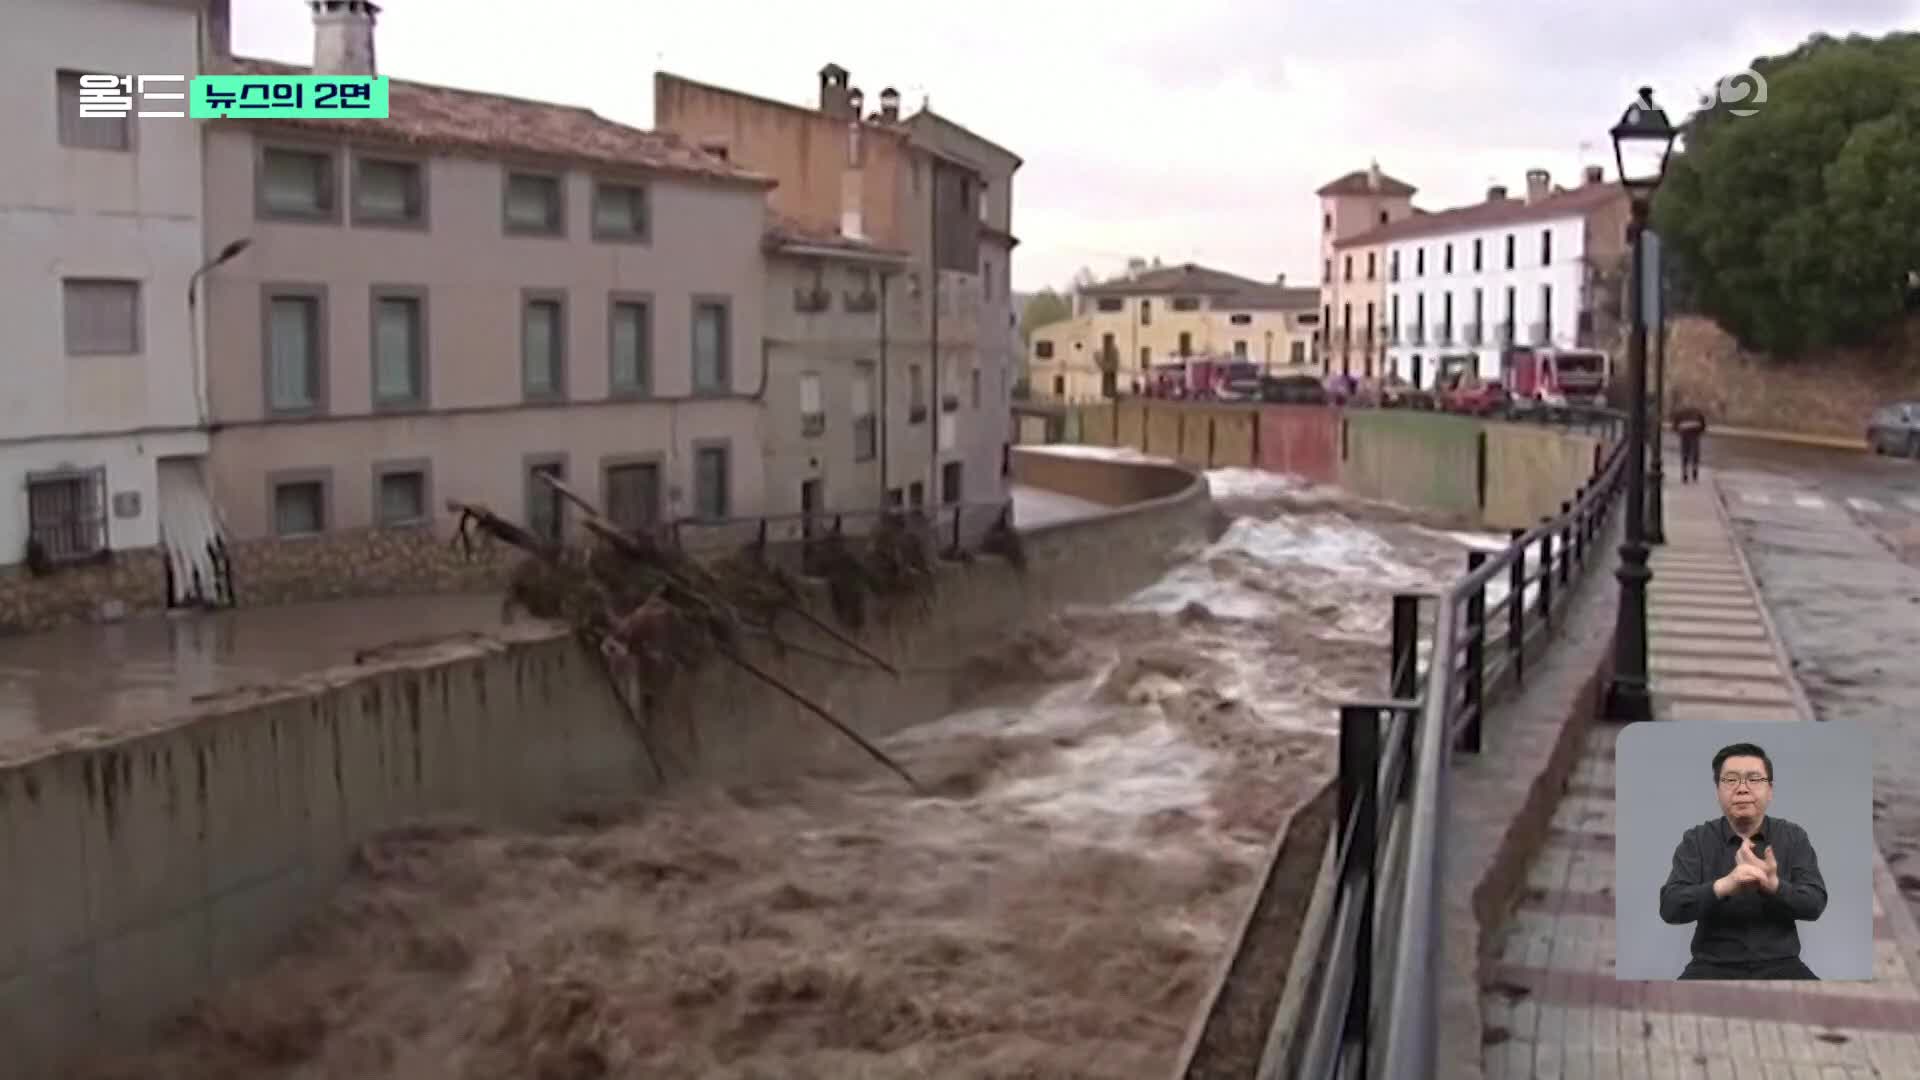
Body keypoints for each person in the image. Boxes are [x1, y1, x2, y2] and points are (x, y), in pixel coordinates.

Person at [1658, 742, 1827, 979]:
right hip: (1711, 966)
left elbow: (1815, 903)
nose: (1742, 789)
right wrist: (1726, 884)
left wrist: (1774, 886)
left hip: (1782, 964)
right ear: (1717, 790)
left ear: (1770, 790)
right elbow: (1670, 907)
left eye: (1754, 779)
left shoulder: (1793, 836)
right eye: (1730, 780)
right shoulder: (1697, 839)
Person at [1672, 401, 1708, 483]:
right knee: (1694, 453)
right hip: (1694, 434)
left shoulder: (1680, 413)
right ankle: (1694, 469)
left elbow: (1675, 425)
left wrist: (1678, 431)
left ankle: (1685, 471)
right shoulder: (1697, 412)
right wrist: (1700, 432)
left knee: (1685, 453)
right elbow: (1703, 424)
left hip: (1685, 434)